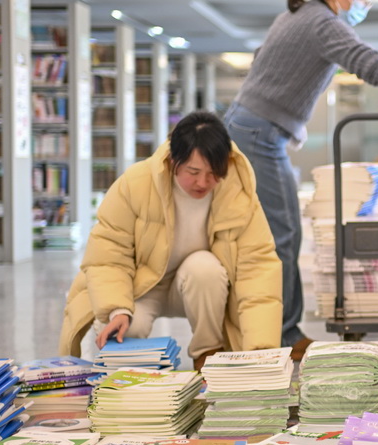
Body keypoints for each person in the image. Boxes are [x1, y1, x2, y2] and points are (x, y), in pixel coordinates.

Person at [223, 0, 378, 361]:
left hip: (254, 127)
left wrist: (289, 119)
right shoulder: (322, 22)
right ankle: (284, 336)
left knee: (277, 233)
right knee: (283, 234)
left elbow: (269, 64)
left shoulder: (297, 16)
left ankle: (279, 330)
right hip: (257, 132)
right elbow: (368, 63)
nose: (363, 4)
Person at [58, 111, 282, 370]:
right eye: (193, 171)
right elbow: (108, 257)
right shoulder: (135, 184)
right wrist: (116, 309)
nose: (203, 182)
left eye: (213, 173)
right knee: (125, 335)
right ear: (173, 159)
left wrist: (261, 352)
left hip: (200, 286)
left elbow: (258, 269)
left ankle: (207, 352)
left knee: (204, 267)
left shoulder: (237, 194)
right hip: (140, 286)